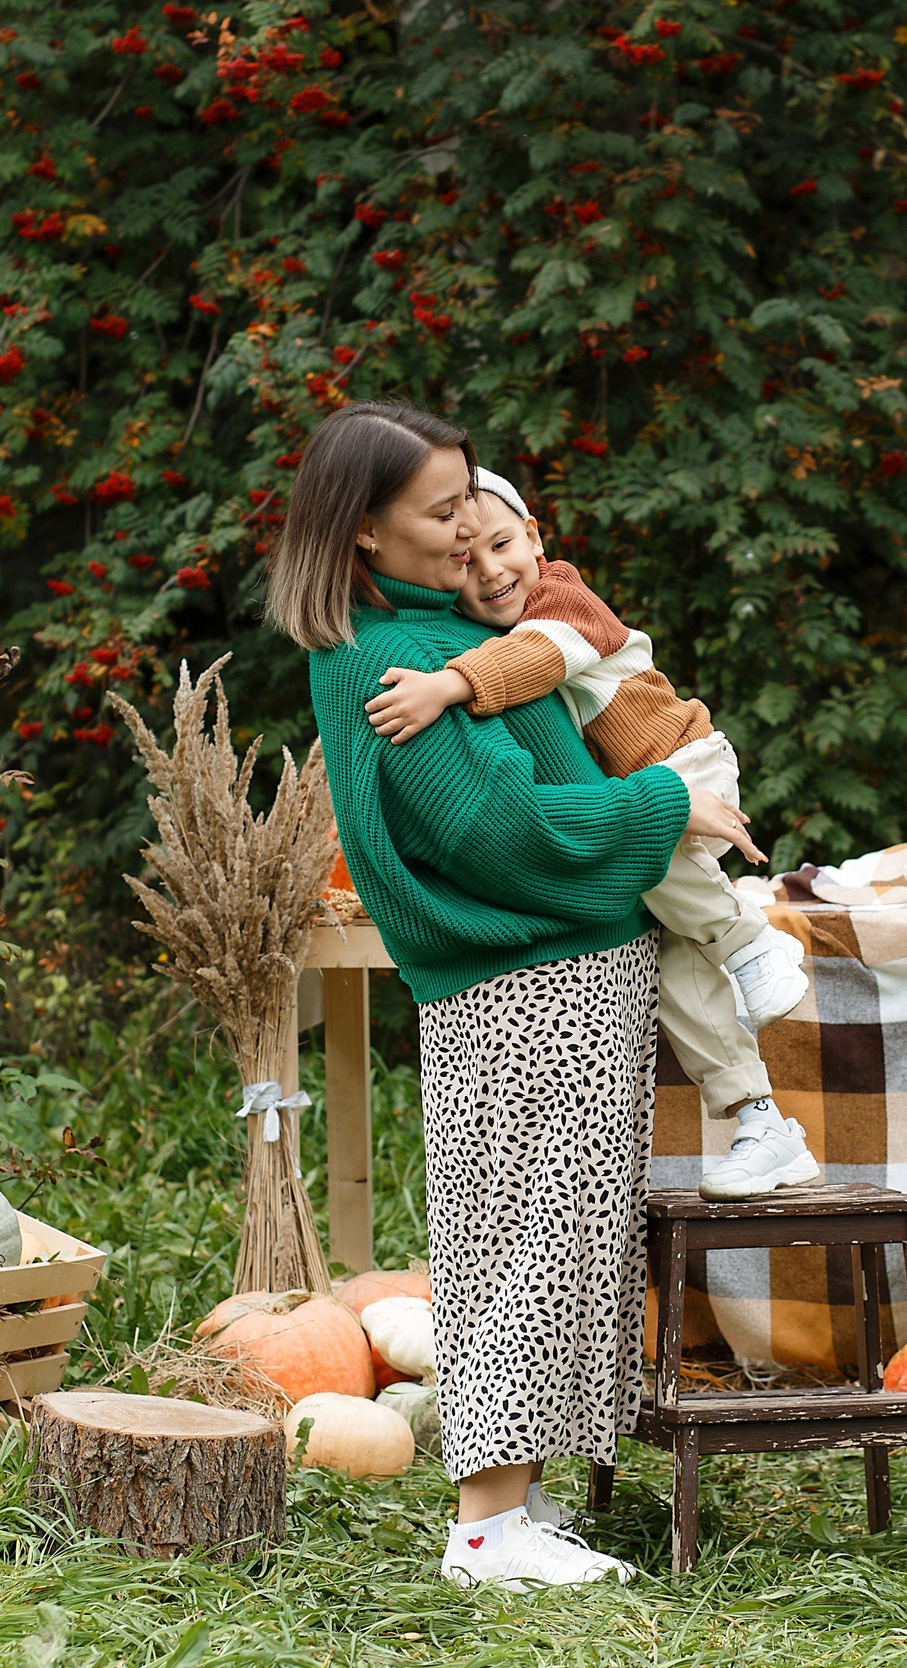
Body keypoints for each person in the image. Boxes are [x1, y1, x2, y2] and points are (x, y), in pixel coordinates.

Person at [270, 400, 763, 1591]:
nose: (464, 531)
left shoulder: (435, 628)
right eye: (439, 515)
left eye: (467, 502)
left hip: (553, 973)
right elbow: (490, 829)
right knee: (533, 1238)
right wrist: (663, 809)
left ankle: (519, 1502)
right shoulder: (389, 659)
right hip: (528, 978)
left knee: (555, 1230)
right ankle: (486, 1528)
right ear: (360, 538)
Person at [361, 469, 821, 1201]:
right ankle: (761, 1120)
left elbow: (541, 658)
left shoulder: (563, 599)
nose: (491, 571)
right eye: (468, 561)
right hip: (641, 804)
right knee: (679, 972)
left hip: (683, 765)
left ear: (538, 538)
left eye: (504, 544)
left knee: (660, 873)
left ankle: (753, 943)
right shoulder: (487, 629)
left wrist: (445, 685)